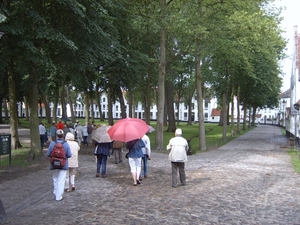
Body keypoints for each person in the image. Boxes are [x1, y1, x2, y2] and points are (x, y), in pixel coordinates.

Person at [46, 129, 72, 201]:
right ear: (63, 135)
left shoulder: (52, 143)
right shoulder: (66, 144)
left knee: (55, 179)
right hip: (63, 164)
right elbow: (69, 155)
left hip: (54, 164)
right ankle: (59, 196)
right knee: (61, 180)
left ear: (56, 135)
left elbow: (48, 154)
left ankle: (55, 192)